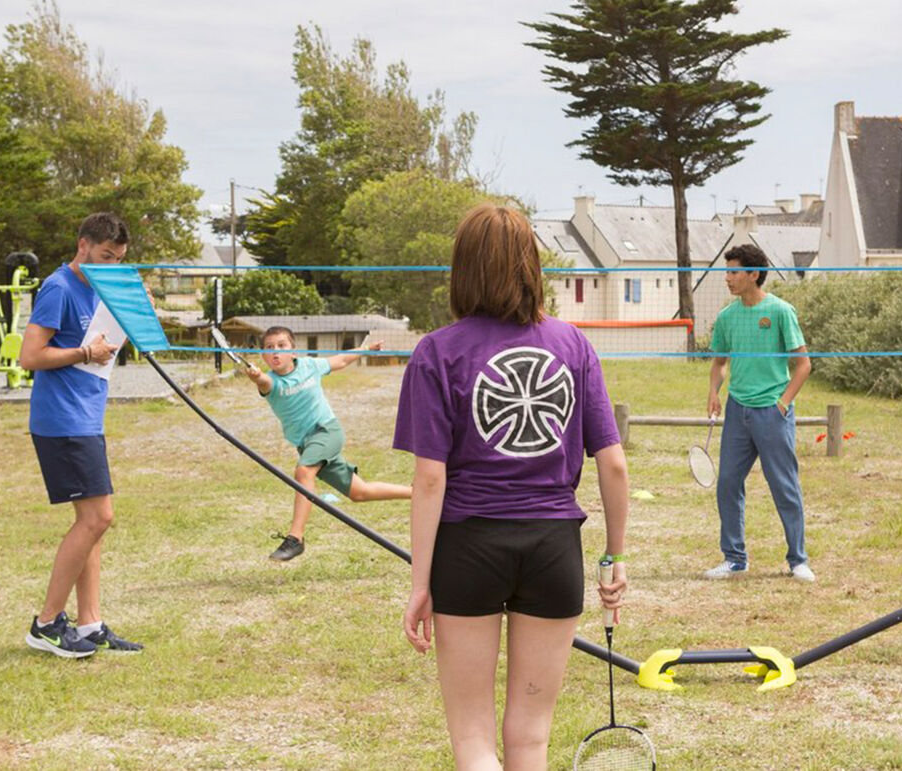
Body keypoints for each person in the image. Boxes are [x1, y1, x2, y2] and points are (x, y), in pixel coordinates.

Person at [396, 203, 629, 770]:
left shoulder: (437, 352)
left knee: (473, 740)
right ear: (531, 265)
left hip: (467, 548)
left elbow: (430, 478)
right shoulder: (572, 345)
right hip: (554, 550)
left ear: (463, 269)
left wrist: (420, 582)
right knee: (531, 739)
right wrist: (613, 557)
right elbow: (615, 464)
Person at [20, 212, 142, 657]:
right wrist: (84, 351)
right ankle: (46, 623)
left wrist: (133, 313)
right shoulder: (58, 287)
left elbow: (108, 343)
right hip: (62, 420)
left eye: (119, 259)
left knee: (89, 524)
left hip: (86, 417)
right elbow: (29, 356)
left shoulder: (100, 288)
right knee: (98, 518)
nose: (110, 266)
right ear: (83, 245)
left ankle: (89, 625)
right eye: (105, 257)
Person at [244, 326, 411, 561]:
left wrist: (366, 349)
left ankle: (295, 538)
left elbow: (341, 360)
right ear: (263, 356)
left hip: (327, 432)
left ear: (294, 351)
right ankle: (416, 492)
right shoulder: (271, 383)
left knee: (304, 472)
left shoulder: (310, 366)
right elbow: (262, 382)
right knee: (359, 492)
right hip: (307, 445)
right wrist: (256, 376)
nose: (275, 352)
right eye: (269, 348)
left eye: (282, 346)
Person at [705, 244, 815, 582]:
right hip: (738, 412)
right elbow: (721, 362)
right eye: (727, 272)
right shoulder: (727, 317)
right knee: (727, 484)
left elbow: (803, 365)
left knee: (784, 486)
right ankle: (735, 558)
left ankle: (798, 560)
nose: (728, 279)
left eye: (734, 272)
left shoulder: (781, 311)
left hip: (772, 412)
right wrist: (714, 390)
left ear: (754, 274)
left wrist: (782, 404)